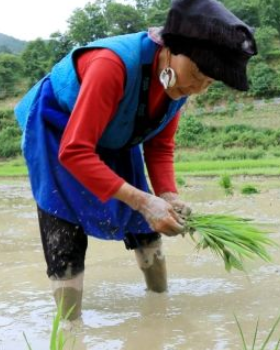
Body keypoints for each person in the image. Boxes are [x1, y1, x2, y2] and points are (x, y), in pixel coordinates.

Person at [14, 0, 257, 321]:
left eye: (208, 83)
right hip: (61, 129)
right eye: (197, 73)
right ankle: (70, 329)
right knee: (64, 227)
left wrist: (167, 195)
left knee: (148, 221)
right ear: (171, 49)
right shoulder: (110, 65)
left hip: (119, 130)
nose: (197, 87)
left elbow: (159, 146)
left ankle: (160, 304)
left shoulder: (176, 83)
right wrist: (144, 201)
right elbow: (74, 151)